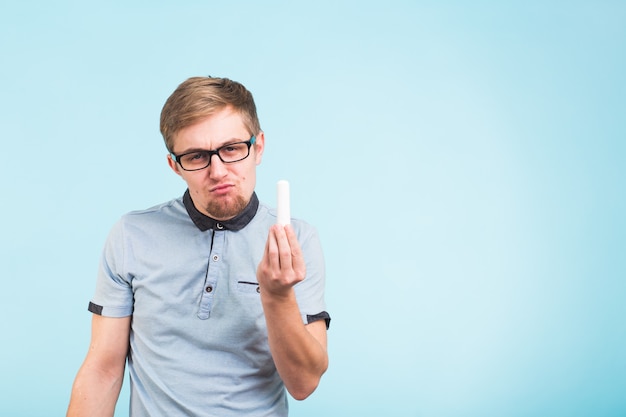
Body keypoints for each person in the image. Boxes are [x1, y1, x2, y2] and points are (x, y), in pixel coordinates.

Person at [66, 76, 330, 417]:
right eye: (196, 156)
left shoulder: (298, 241)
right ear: (175, 165)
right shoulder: (131, 235)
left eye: (232, 149)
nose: (218, 171)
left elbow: (304, 384)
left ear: (259, 147)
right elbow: (102, 370)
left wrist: (277, 296)